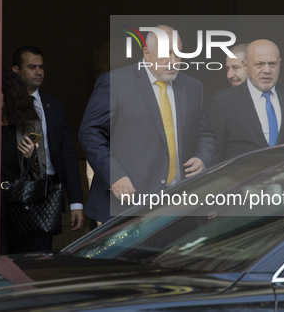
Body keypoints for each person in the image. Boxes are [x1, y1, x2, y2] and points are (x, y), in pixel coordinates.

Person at [79, 25, 216, 224]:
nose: (173, 61)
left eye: (177, 53)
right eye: (166, 53)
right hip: (128, 202)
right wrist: (114, 176)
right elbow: (90, 133)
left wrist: (203, 158)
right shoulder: (115, 82)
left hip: (179, 203)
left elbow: (206, 135)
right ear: (147, 53)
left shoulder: (193, 87)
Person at [12, 46, 84, 250]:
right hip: (15, 192)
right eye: (32, 67)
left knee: (41, 256)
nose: (39, 72)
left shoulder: (55, 105)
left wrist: (76, 203)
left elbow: (67, 155)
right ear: (16, 70)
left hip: (47, 190)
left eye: (41, 67)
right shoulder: (3, 104)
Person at [208, 39, 284, 164]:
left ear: (280, 63)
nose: (267, 70)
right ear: (245, 66)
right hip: (243, 181)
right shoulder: (223, 102)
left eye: (273, 64)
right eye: (259, 64)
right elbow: (216, 156)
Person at [0, 70, 47, 254]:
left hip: (20, 201)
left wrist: (32, 157)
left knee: (19, 258)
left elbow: (42, 169)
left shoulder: (30, 126)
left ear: (10, 95)